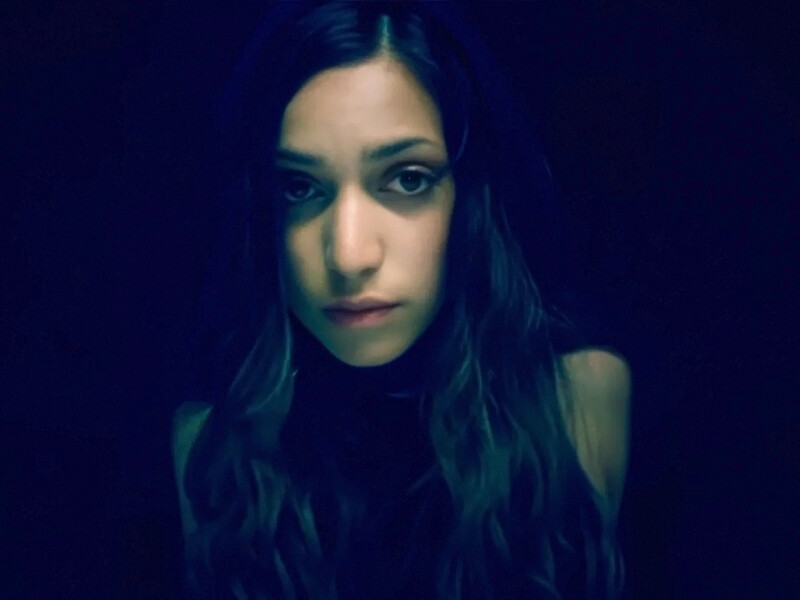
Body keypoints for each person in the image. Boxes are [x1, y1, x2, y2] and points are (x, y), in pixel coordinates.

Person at [172, 2, 631, 599]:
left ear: (469, 198)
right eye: (299, 187)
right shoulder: (214, 441)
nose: (349, 255)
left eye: (407, 178)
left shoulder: (577, 399)